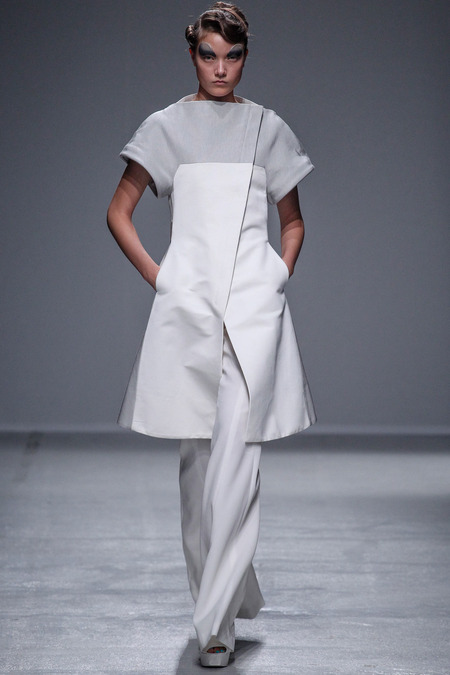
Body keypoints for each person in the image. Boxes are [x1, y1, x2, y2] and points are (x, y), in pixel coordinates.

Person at [107, 2, 316, 667]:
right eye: (208, 55)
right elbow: (118, 211)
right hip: (189, 314)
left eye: (232, 56)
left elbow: (292, 221)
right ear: (192, 53)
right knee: (198, 479)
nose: (220, 69)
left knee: (238, 471)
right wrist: (163, 279)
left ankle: (217, 627)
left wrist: (275, 277)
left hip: (251, 318)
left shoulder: (267, 128)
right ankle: (223, 599)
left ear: (246, 56)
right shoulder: (166, 128)